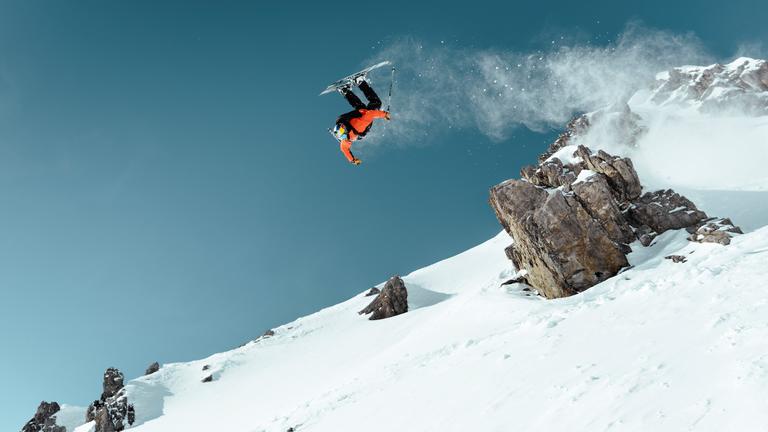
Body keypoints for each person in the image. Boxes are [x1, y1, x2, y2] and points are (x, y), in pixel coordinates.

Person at [332, 79, 390, 165]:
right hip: (361, 121)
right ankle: (355, 86)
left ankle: (350, 88)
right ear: (344, 134)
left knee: (365, 105)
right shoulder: (348, 136)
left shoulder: (345, 137)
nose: (343, 126)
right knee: (373, 103)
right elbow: (370, 114)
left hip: (360, 116)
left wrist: (352, 160)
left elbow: (344, 149)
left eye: (341, 126)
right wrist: (384, 114)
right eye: (342, 129)